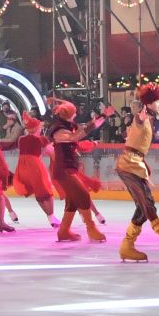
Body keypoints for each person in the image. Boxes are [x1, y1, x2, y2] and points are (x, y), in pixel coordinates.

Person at [114, 84, 159, 262]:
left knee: (143, 205)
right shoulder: (142, 117)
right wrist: (145, 106)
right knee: (146, 203)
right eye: (157, 100)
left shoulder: (149, 118)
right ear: (148, 104)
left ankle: (127, 245)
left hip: (135, 165)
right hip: (128, 165)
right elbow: (140, 117)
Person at [47, 99, 108, 244]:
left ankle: (63, 231)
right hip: (63, 170)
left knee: (73, 201)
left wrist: (103, 117)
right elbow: (75, 137)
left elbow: (83, 130)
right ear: (68, 114)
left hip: (69, 168)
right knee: (83, 195)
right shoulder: (59, 130)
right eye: (74, 113)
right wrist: (92, 124)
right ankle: (91, 228)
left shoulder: (67, 126)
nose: (75, 115)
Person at [8, 112, 59, 227]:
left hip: (22, 167)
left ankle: (50, 216)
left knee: (38, 193)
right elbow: (51, 152)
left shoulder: (21, 139)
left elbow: (26, 149)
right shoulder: (41, 139)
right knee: (46, 191)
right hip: (34, 166)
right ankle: (51, 216)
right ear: (37, 128)